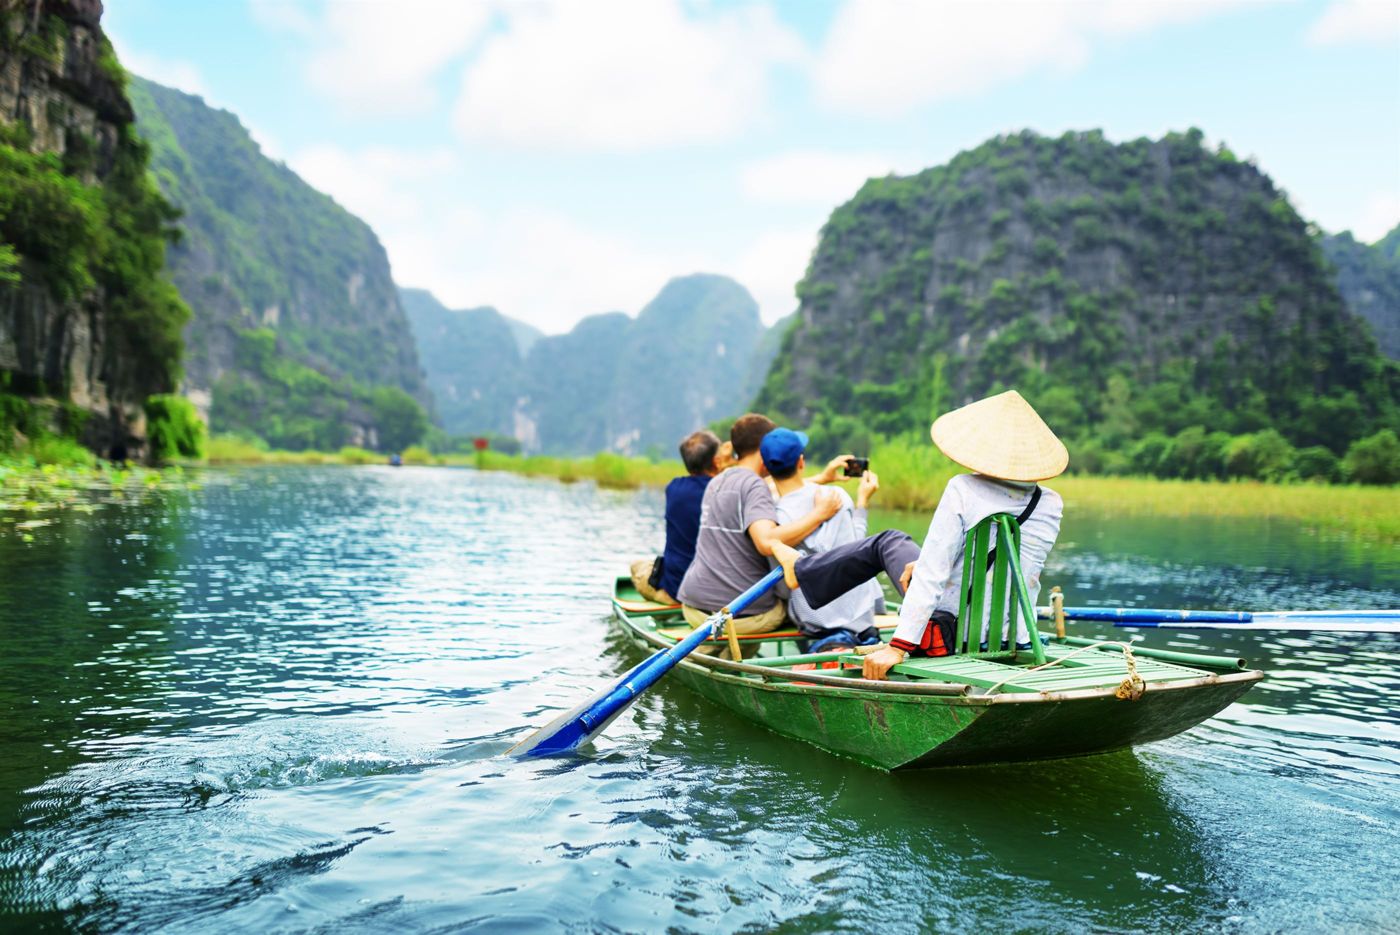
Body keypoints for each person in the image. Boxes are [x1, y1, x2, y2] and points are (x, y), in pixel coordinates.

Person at [772, 390, 1066, 680]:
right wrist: (926, 562)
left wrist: (899, 646)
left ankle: (799, 570)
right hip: (1013, 635)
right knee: (904, 552)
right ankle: (800, 569)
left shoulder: (963, 489)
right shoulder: (1051, 503)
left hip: (951, 633)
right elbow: (1008, 565)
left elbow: (932, 575)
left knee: (887, 541)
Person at [675, 413, 851, 647]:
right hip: (737, 615)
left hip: (693, 605)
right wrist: (819, 515)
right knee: (801, 606)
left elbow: (772, 487)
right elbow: (765, 541)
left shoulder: (719, 480)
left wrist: (823, 478)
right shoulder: (755, 485)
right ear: (764, 448)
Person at [761, 427, 885, 654]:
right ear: (801, 462)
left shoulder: (768, 517)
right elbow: (859, 549)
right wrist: (862, 503)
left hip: (815, 621)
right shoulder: (836, 496)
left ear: (766, 467)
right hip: (860, 617)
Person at [630, 430, 730, 604]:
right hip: (717, 589)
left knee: (637, 566)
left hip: (676, 589)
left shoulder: (674, 489)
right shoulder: (726, 492)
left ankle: (663, 597)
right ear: (717, 461)